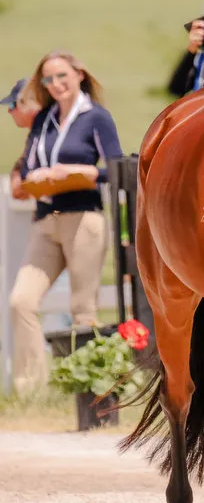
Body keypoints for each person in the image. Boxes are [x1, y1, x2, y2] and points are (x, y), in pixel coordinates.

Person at [8, 50, 122, 390]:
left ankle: (89, 391)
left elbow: (116, 169)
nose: (55, 84)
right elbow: (28, 163)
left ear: (79, 74)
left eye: (61, 76)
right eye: (48, 79)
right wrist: (33, 176)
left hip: (83, 219)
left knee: (82, 308)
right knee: (21, 301)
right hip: (46, 222)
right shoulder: (44, 119)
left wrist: (82, 171)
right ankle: (30, 389)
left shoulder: (96, 117)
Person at [5, 78, 42, 200]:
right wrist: (17, 172)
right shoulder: (36, 133)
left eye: (13, 104)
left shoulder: (52, 130)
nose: (10, 111)